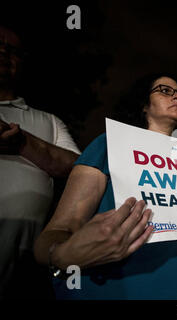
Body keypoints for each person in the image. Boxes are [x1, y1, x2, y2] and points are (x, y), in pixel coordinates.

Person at [33, 73, 177, 299]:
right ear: (144, 104)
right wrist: (64, 254)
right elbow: (56, 232)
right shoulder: (110, 145)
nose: (176, 97)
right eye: (165, 91)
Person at [0, 26, 80, 299]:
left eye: (12, 50)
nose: (3, 52)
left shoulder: (48, 121)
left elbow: (78, 170)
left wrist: (22, 144)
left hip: (22, 267)